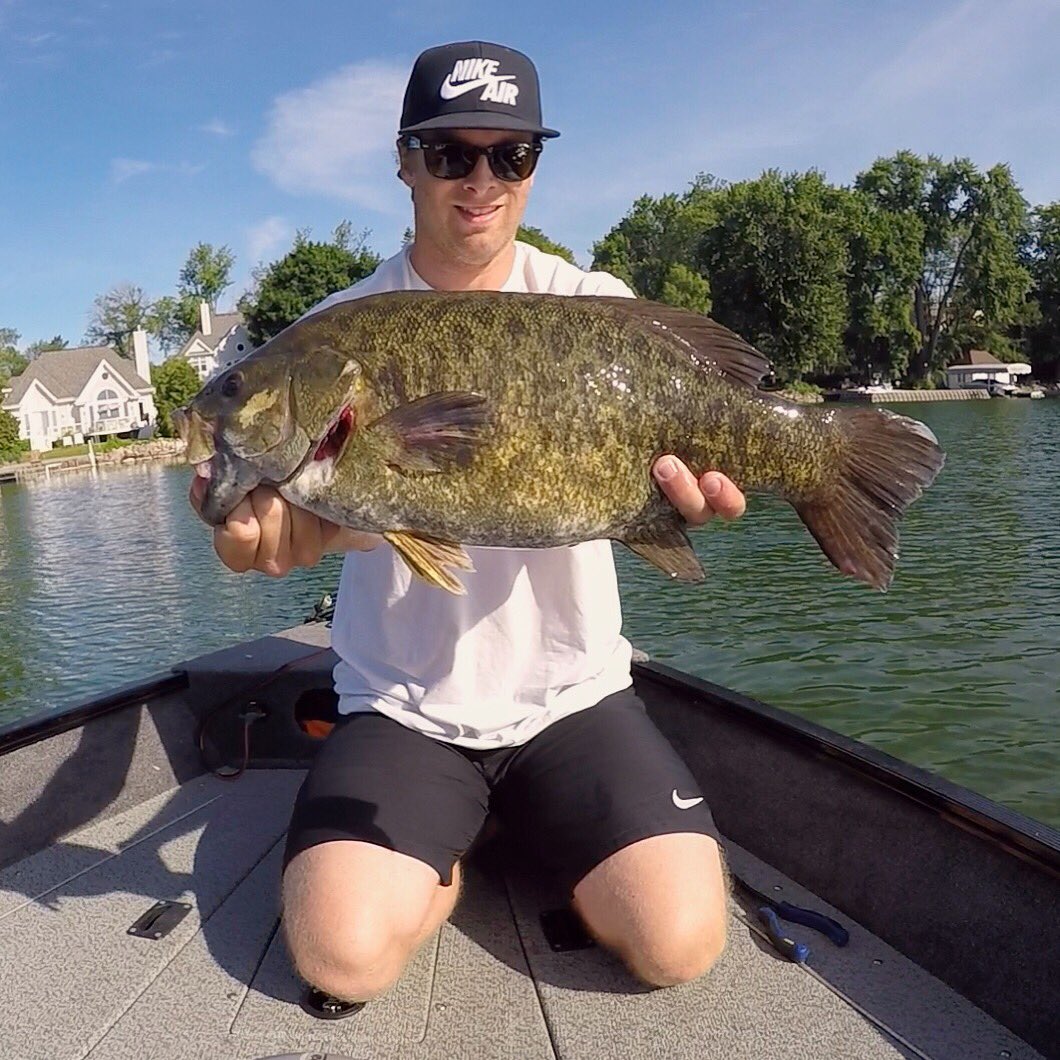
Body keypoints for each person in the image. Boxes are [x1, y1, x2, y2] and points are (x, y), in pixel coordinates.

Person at [190, 40, 747, 1003]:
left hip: (574, 698)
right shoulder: (336, 327)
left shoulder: (594, 308)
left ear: (535, 165)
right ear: (406, 160)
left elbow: (701, 447)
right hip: (404, 707)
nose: (480, 180)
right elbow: (336, 516)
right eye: (451, 154)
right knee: (340, 959)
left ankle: (494, 826)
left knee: (680, 944)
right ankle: (450, 849)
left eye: (511, 155)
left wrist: (695, 499)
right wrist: (271, 533)